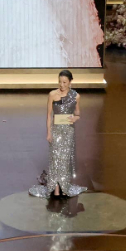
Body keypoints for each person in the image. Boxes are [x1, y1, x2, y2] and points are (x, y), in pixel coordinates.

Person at [29, 69, 86, 198]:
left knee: (65, 159)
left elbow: (78, 114)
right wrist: (48, 132)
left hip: (68, 131)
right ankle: (55, 189)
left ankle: (64, 187)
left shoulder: (76, 96)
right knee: (55, 159)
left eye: (65, 82)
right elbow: (49, 116)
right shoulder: (52, 95)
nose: (62, 85)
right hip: (56, 130)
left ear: (70, 82)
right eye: (60, 82)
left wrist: (75, 118)